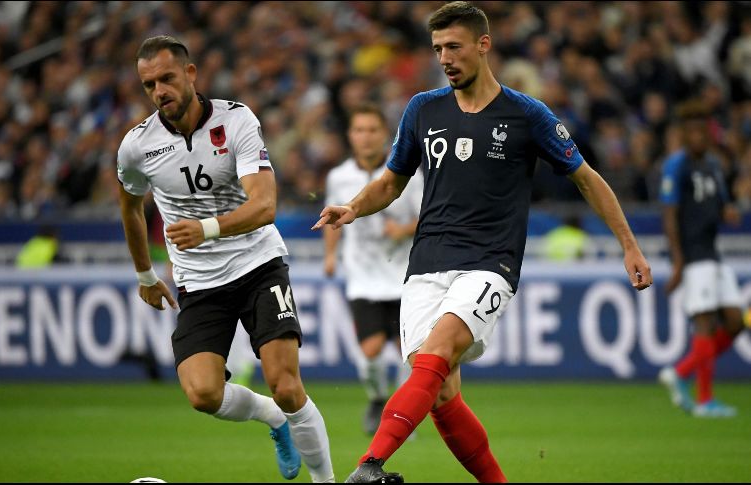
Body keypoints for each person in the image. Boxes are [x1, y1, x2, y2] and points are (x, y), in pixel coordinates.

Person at [312, 2, 653, 483]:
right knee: (440, 389)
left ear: (483, 44)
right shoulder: (422, 109)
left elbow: (587, 179)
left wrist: (629, 245)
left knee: (435, 357)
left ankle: (369, 465)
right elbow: (391, 181)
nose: (445, 58)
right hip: (426, 262)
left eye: (454, 46)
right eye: (437, 49)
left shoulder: (526, 113)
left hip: (489, 264)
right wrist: (354, 207)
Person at [117, 35, 334, 482]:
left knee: (287, 386)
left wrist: (206, 228)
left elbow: (265, 206)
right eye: (149, 85)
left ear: (190, 74)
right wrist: (144, 273)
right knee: (202, 393)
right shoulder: (137, 146)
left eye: (167, 78)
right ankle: (273, 419)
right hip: (198, 282)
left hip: (258, 265)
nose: (159, 91)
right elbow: (130, 206)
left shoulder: (236, 121)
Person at [323, 104, 423, 435]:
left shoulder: (409, 174)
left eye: (372, 130)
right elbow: (330, 218)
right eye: (358, 130)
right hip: (363, 277)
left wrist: (405, 229)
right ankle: (379, 399)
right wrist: (330, 255)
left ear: (385, 136)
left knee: (408, 352)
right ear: (350, 136)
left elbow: (427, 215)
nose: (365, 137)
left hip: (402, 275)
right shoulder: (338, 177)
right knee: (370, 352)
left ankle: (404, 412)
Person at [657, 100, 747, 418]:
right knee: (705, 325)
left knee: (735, 322)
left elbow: (721, 204)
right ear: (683, 134)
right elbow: (669, 215)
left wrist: (729, 211)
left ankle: (681, 371)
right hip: (694, 257)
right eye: (691, 131)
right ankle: (704, 398)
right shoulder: (676, 166)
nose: (697, 136)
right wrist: (679, 262)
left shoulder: (712, 166)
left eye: (702, 131)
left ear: (709, 134)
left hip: (713, 253)